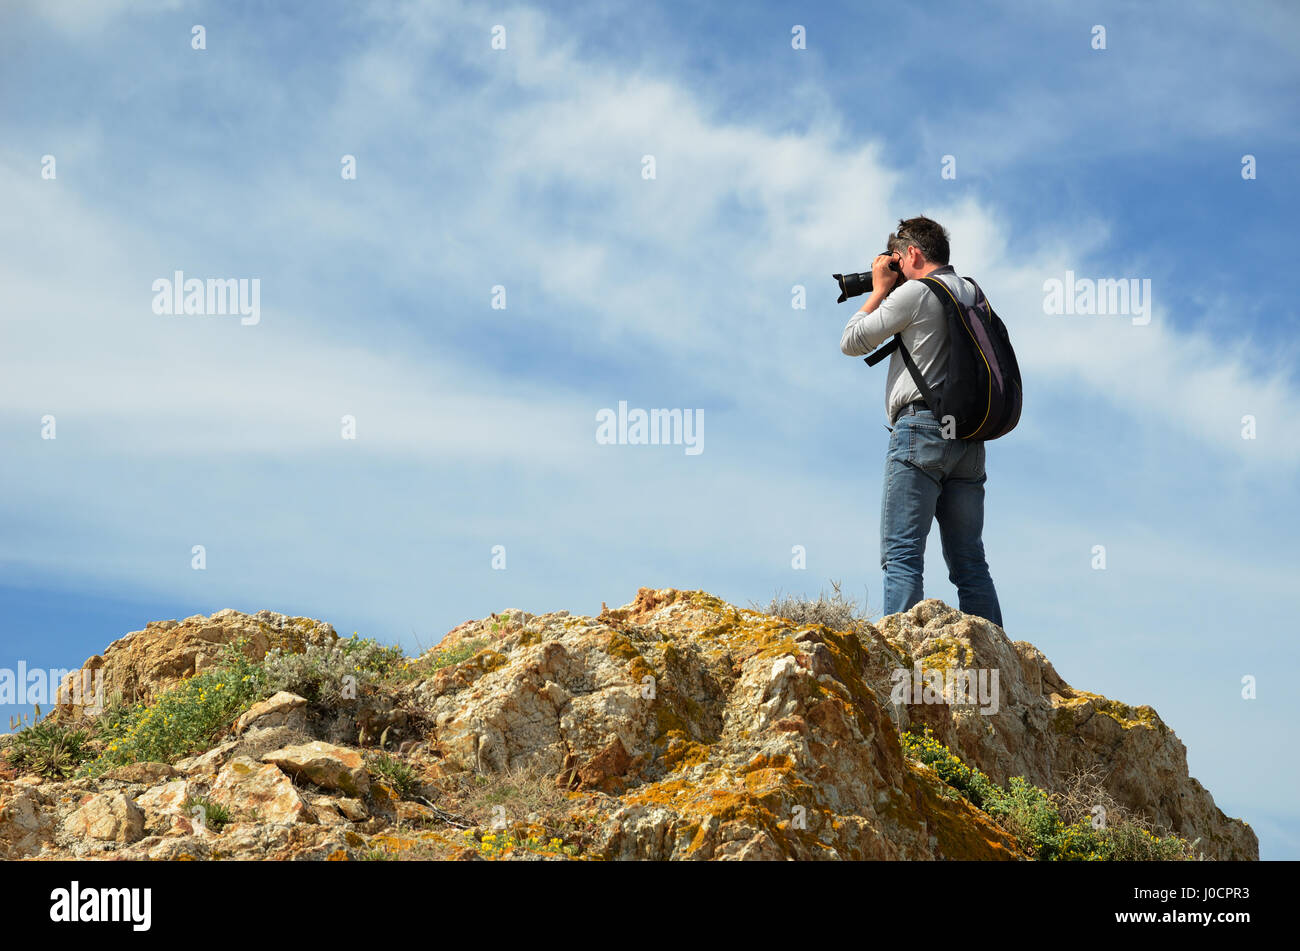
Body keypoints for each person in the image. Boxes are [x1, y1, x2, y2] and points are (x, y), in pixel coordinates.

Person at [839, 216, 1004, 628]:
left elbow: (852, 341)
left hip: (920, 431)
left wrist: (878, 290)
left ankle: (899, 671)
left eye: (895, 258)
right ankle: (997, 668)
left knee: (902, 556)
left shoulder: (914, 293)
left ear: (911, 253)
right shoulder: (972, 292)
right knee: (970, 561)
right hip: (968, 439)